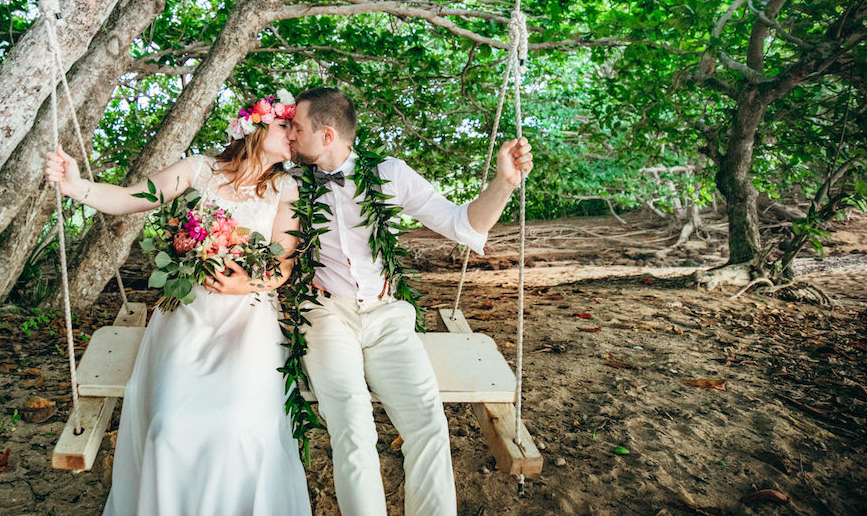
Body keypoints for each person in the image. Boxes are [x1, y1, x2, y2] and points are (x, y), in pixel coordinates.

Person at [44, 91, 312, 516]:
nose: (295, 135)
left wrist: (245, 283)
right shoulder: (199, 169)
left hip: (248, 320)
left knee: (239, 428)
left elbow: (282, 266)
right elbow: (133, 197)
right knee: (169, 428)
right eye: (286, 125)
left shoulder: (285, 187)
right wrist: (78, 186)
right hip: (187, 314)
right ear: (256, 124)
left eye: (298, 129)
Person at [286, 86, 532, 516]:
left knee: (428, 424)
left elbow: (462, 224)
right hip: (325, 314)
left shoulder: (389, 173)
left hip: (387, 315)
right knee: (352, 423)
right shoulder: (285, 181)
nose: (289, 133)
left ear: (327, 135)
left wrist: (504, 183)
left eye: (296, 126)